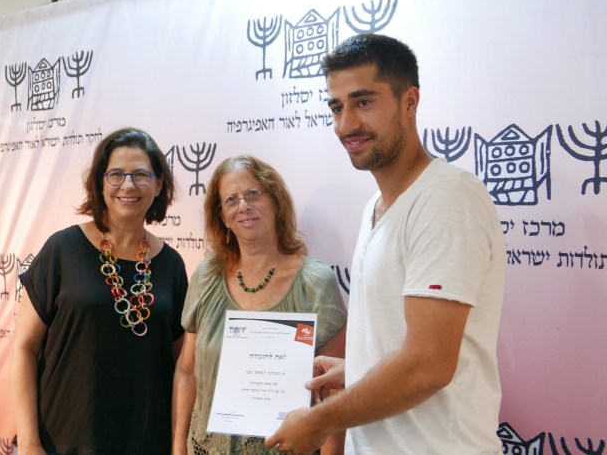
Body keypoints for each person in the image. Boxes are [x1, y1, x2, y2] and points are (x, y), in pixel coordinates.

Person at [266, 34, 507, 454]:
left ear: (409, 101)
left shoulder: (446, 198)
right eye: (337, 108)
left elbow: (428, 364)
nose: (346, 125)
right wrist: (357, 369)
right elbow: (406, 345)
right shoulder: (375, 206)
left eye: (363, 102)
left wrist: (321, 420)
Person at [10, 127, 188, 454]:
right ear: (100, 183)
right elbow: (24, 349)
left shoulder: (172, 265)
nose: (128, 185)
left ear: (159, 183)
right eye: (116, 174)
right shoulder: (62, 249)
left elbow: (182, 367)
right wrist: (29, 442)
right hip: (64, 441)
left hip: (147, 442)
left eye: (141, 175)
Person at [172, 155, 348, 455]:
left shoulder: (315, 283)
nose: (243, 205)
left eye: (253, 193)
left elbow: (332, 391)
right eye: (231, 199)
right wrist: (178, 447)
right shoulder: (207, 275)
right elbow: (187, 371)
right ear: (222, 216)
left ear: (276, 201)